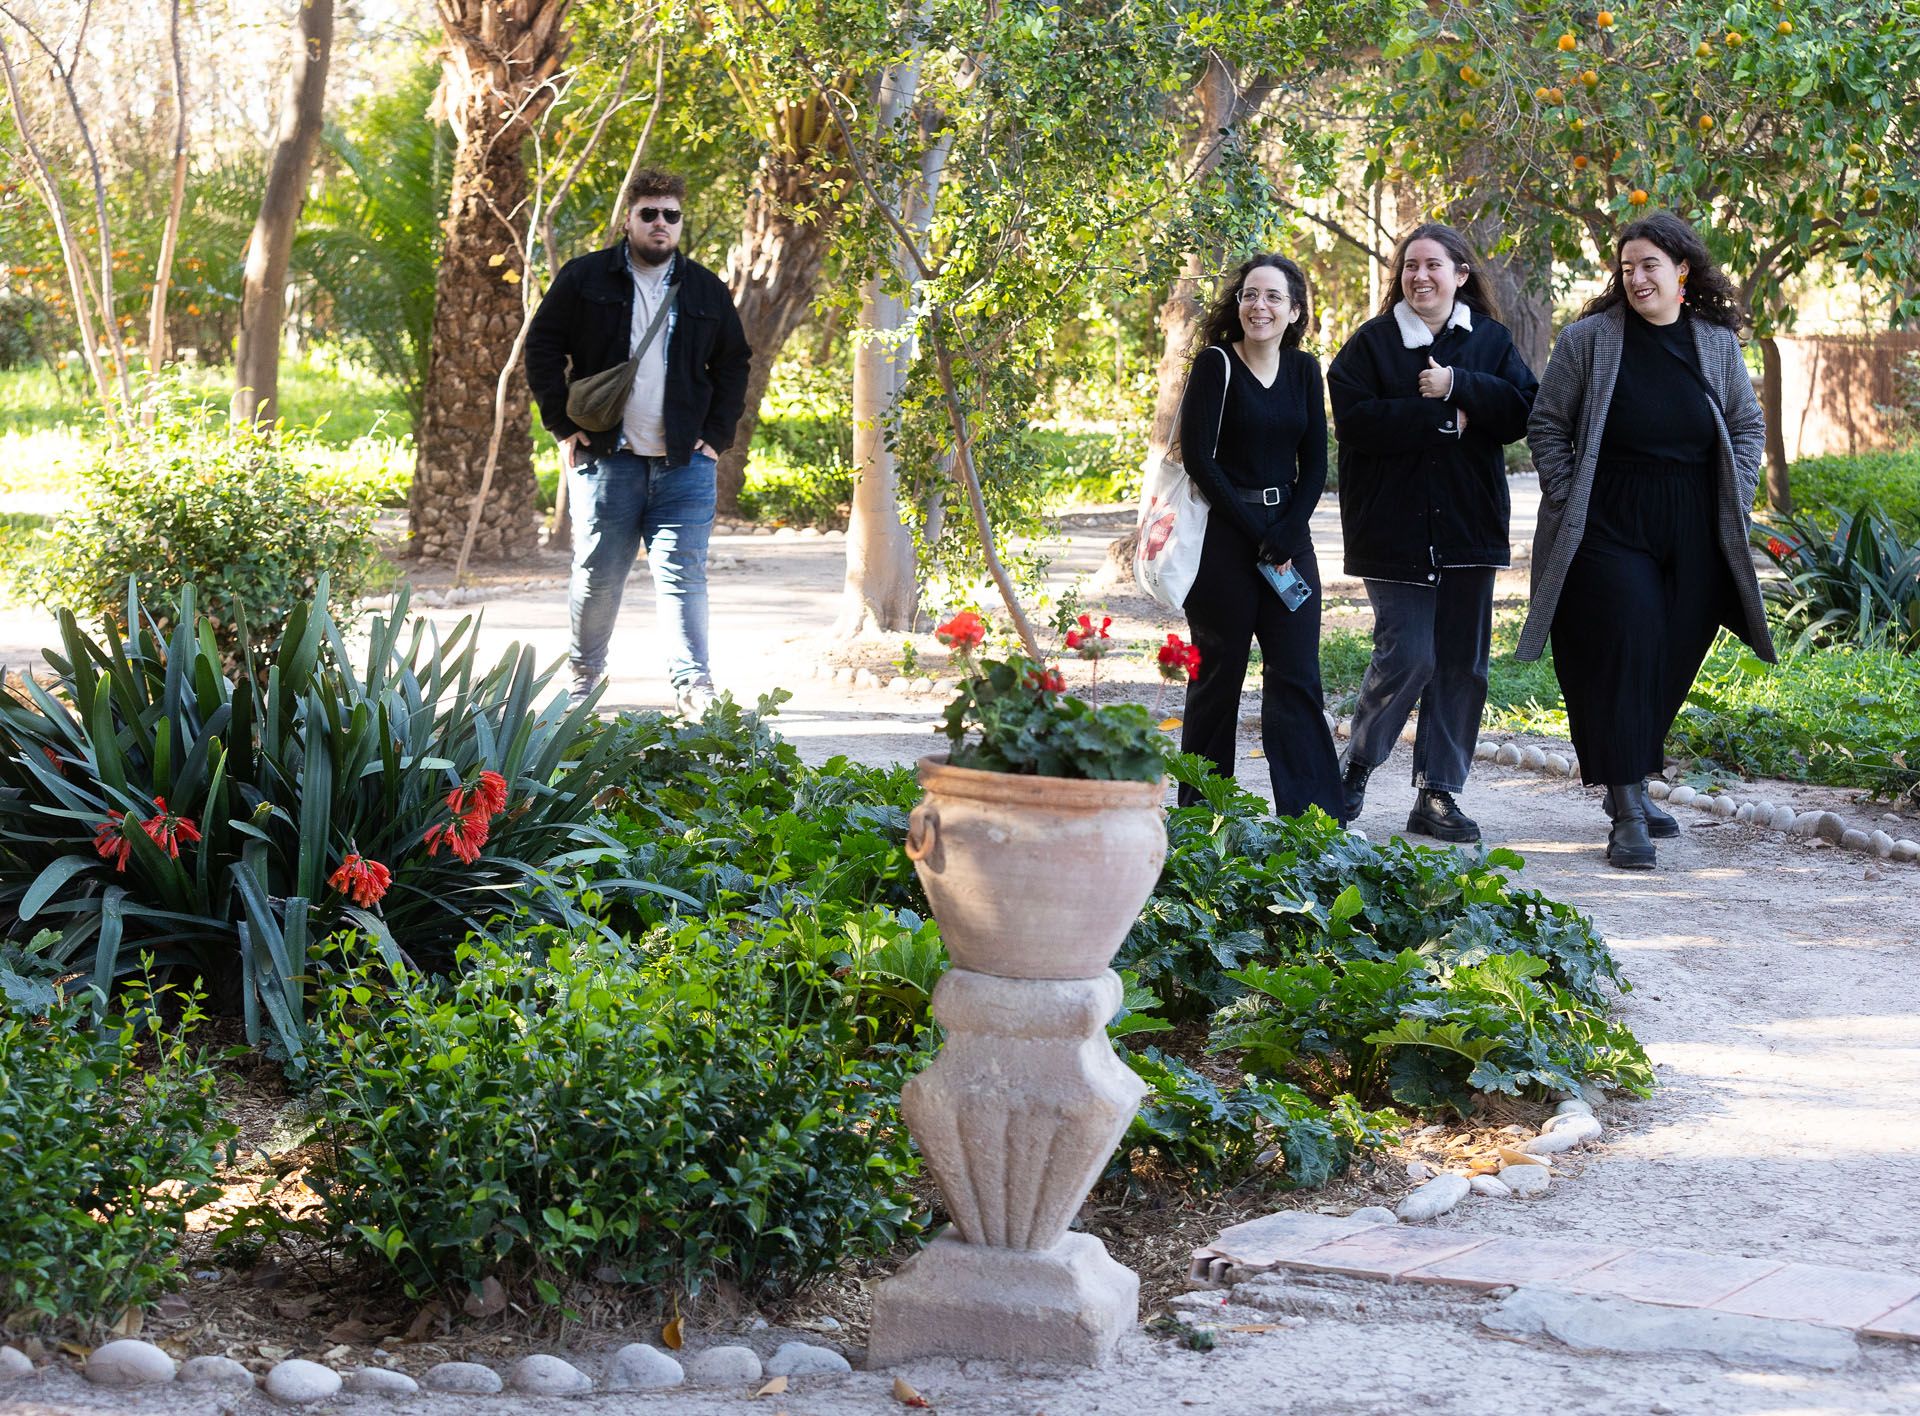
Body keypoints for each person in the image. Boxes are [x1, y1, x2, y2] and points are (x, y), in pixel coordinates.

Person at [1517, 211, 1773, 868]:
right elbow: (1547, 424)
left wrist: (1736, 498)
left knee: (1675, 645)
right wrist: (1571, 492)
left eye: (1649, 265)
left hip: (1693, 516)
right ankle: (1628, 806)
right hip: (1611, 519)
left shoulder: (1715, 343)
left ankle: (1625, 771)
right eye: (1626, 267)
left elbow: (1746, 427)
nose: (1636, 277)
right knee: (1629, 637)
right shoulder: (1589, 341)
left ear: (1681, 270)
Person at [1326, 223, 1538, 843]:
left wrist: (1461, 384)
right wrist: (1441, 417)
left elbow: (1523, 411)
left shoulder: (1491, 341)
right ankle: (1357, 768)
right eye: (1410, 265)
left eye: (1433, 266)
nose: (1420, 276)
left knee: (1461, 666)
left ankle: (1439, 794)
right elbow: (1355, 422)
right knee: (1411, 653)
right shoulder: (1372, 345)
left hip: (1469, 530)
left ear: (1461, 274)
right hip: (1392, 532)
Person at [526, 167, 752, 714]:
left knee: (682, 579)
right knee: (598, 577)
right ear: (628, 219)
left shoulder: (704, 288)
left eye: (670, 215)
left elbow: (734, 364)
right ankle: (584, 675)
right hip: (608, 460)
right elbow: (542, 348)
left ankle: (693, 685)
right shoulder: (585, 278)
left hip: (684, 464)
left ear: (680, 223)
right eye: (649, 213)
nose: (660, 224)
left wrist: (715, 438)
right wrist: (561, 424)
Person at [1175, 254, 1344, 820]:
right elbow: (1200, 458)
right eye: (1250, 294)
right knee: (1217, 679)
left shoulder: (1303, 371)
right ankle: (1202, 815)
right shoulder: (1216, 364)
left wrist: (1287, 532)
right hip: (1224, 542)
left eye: (1273, 297)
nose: (1259, 306)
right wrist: (1256, 533)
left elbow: (1316, 464)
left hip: (1287, 543)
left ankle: (1313, 820)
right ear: (1238, 303)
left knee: (1297, 677)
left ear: (1294, 310)